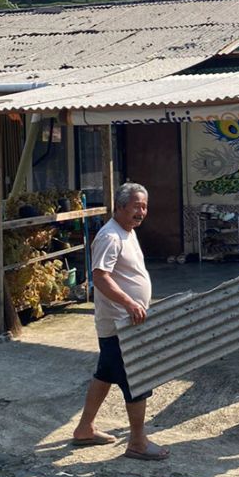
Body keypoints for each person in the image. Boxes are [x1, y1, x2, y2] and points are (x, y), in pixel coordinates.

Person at [71, 182, 169, 461]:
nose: (142, 212)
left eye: (145, 206)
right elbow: (100, 277)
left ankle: (84, 428)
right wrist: (129, 303)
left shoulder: (127, 232)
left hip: (126, 322)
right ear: (121, 206)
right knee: (136, 379)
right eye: (137, 206)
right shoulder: (110, 236)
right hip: (120, 324)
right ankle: (137, 442)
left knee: (106, 374)